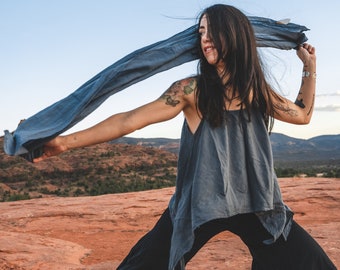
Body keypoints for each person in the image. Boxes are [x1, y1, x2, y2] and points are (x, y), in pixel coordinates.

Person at [34, 4, 336, 270]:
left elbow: (302, 115)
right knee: (145, 264)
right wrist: (63, 142)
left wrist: (309, 67)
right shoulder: (191, 90)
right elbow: (129, 121)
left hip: (255, 203)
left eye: (212, 31)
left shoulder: (256, 91)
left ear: (235, 36)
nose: (205, 39)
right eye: (201, 32)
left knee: (310, 262)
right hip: (200, 205)